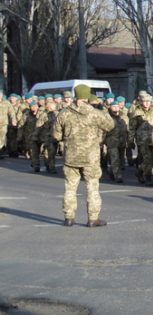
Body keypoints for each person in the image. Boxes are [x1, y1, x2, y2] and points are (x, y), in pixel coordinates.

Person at [53, 85, 114, 227]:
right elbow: (110, 125)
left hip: (71, 157)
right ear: (87, 96)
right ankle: (93, 218)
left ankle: (69, 217)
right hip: (90, 157)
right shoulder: (95, 113)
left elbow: (56, 135)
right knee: (92, 187)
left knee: (70, 187)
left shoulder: (64, 113)